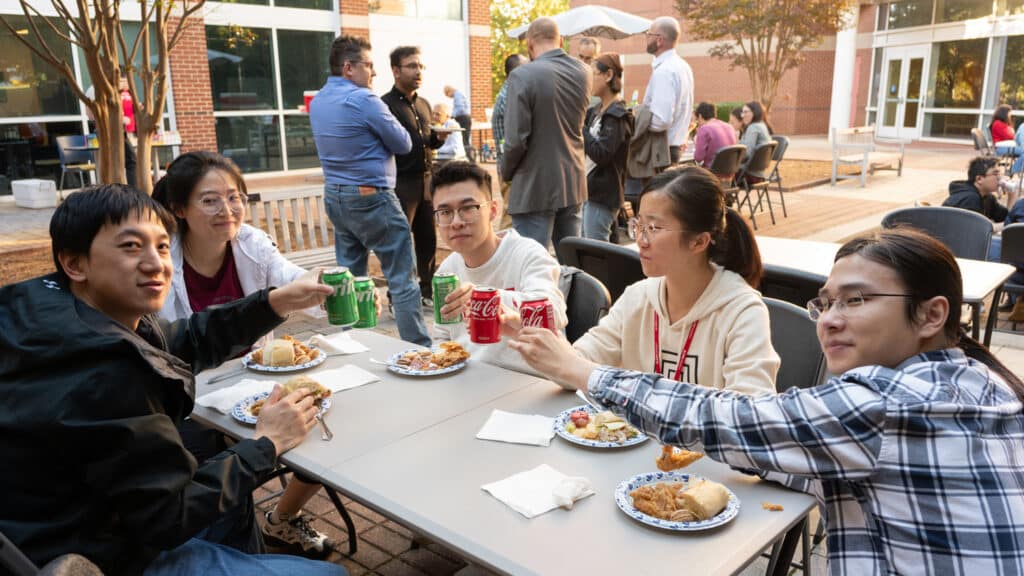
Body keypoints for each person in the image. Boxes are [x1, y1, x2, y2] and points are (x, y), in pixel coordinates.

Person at [510, 227, 1024, 576]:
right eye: (826, 303)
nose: (829, 319)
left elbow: (731, 417)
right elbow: (824, 457)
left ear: (932, 315)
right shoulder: (987, 380)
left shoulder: (884, 403)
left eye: (857, 300)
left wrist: (586, 374)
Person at [0, 184, 344, 576]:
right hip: (100, 553)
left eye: (162, 247)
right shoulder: (103, 370)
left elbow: (183, 339)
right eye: (131, 247)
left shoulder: (55, 315)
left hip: (73, 520)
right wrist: (268, 442)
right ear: (75, 263)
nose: (155, 263)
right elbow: (170, 514)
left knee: (234, 492)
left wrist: (274, 302)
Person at [152, 151, 343, 559]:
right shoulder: (161, 262)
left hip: (255, 383)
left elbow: (292, 280)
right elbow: (164, 348)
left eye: (235, 196)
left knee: (325, 421)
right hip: (193, 396)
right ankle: (240, 557)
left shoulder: (252, 244)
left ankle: (282, 520)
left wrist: (325, 289)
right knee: (219, 474)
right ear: (179, 208)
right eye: (210, 200)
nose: (228, 209)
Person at [514, 165, 779, 394]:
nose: (640, 240)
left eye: (653, 228)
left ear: (699, 241)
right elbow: (575, 365)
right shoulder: (638, 297)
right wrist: (534, 340)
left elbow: (751, 412)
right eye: (638, 225)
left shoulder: (741, 312)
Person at [309, 34, 430, 347]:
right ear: (349, 67)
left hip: (336, 196)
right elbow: (404, 143)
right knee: (402, 277)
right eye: (369, 65)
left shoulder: (319, 99)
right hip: (371, 197)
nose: (374, 73)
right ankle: (418, 348)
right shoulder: (364, 100)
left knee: (351, 277)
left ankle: (354, 344)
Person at [431, 161, 566, 375]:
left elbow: (554, 312)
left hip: (530, 383)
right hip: (469, 382)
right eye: (445, 212)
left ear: (493, 210)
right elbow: (441, 336)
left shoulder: (528, 254)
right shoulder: (446, 270)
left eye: (468, 208)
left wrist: (485, 299)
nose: (456, 222)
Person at [501, 17, 590, 254]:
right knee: (572, 263)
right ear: (560, 40)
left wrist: (505, 173)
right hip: (573, 180)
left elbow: (515, 140)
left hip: (534, 184)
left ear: (529, 45)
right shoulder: (584, 72)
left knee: (531, 264)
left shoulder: (522, 75)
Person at [382, 46, 447, 305]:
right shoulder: (384, 105)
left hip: (426, 180)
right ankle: (397, 293)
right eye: (411, 66)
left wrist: (438, 139)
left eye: (420, 66)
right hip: (400, 182)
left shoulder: (424, 104)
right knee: (399, 242)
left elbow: (426, 142)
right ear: (396, 71)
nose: (418, 71)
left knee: (428, 238)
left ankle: (427, 291)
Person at [582, 53, 633, 242]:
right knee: (592, 248)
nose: (590, 80)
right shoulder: (596, 111)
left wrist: (583, 130)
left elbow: (603, 154)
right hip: (590, 191)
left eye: (594, 74)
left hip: (603, 194)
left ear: (608, 75)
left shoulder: (617, 115)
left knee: (595, 251)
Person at [642, 16, 694, 163]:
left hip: (660, 151)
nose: (646, 38)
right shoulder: (683, 66)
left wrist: (638, 123)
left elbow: (661, 120)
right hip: (673, 148)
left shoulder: (664, 71)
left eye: (649, 34)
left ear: (659, 40)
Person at [492, 53, 528, 224]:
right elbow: (516, 138)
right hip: (510, 167)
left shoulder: (511, 93)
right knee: (511, 217)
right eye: (526, 67)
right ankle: (505, 251)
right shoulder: (509, 98)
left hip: (510, 166)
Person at [692, 101, 737, 168]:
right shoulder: (729, 126)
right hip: (731, 171)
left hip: (712, 173)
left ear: (700, 116)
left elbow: (698, 158)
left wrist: (697, 143)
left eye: (697, 119)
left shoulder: (704, 129)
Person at [738, 100, 773, 182]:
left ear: (755, 112)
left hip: (748, 175)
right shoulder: (762, 125)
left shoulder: (753, 127)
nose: (743, 115)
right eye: (742, 112)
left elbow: (747, 154)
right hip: (759, 174)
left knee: (717, 174)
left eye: (746, 112)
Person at [444, 85, 474, 161]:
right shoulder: (459, 94)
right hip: (464, 118)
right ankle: (468, 158)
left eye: (447, 95)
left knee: (464, 140)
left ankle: (470, 160)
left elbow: (460, 108)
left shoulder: (457, 95)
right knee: (464, 139)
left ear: (449, 91)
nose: (449, 97)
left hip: (463, 119)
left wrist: (451, 116)